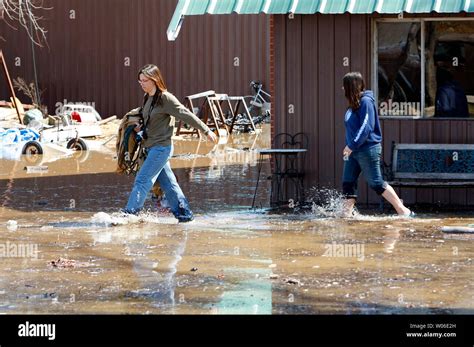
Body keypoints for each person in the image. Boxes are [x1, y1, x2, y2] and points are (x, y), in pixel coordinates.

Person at [122, 64, 218, 222]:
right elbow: (151, 120)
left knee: (142, 180)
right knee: (169, 185)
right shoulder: (148, 98)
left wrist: (206, 130)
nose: (142, 84)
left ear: (154, 80)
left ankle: (129, 214)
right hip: (150, 147)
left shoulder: (166, 98)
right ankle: (185, 215)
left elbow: (185, 114)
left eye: (145, 80)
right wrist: (140, 128)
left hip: (161, 149)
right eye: (140, 81)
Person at [341, 72, 413, 217]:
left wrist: (351, 145)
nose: (342, 88)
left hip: (367, 149)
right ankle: (346, 214)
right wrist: (350, 147)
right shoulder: (354, 105)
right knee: (348, 183)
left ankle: (403, 210)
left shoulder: (366, 102)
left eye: (344, 85)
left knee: (376, 183)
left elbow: (366, 127)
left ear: (351, 87)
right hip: (353, 152)